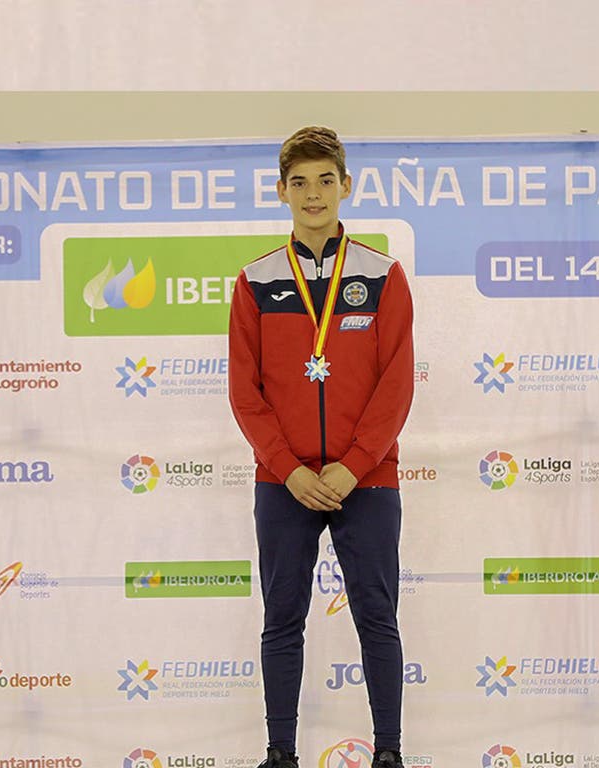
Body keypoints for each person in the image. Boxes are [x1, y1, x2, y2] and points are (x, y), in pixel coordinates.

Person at [228, 126, 415, 768]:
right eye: (300, 183)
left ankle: (388, 751)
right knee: (282, 620)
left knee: (376, 617)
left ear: (346, 187)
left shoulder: (382, 274)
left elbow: (395, 386)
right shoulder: (255, 281)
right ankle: (281, 753)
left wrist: (353, 464)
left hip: (367, 480)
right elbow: (244, 392)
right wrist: (288, 469)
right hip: (284, 485)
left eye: (325, 181)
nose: (313, 194)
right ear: (281, 192)